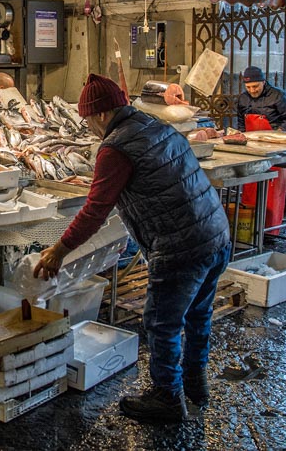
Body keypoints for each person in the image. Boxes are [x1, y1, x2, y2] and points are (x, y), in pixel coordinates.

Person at [33, 73, 231, 421]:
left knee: (161, 322)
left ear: (100, 115)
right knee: (198, 315)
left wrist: (58, 250)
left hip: (180, 245)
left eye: (87, 120)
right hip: (213, 233)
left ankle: (167, 397)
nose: (89, 128)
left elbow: (95, 210)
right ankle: (196, 387)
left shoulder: (115, 147)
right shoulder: (153, 125)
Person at [236, 66, 286, 132]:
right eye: (248, 87)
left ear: (263, 82)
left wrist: (280, 131)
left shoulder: (278, 95)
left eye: (255, 86)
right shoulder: (243, 98)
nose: (252, 90)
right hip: (252, 137)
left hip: (275, 138)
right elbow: (241, 122)